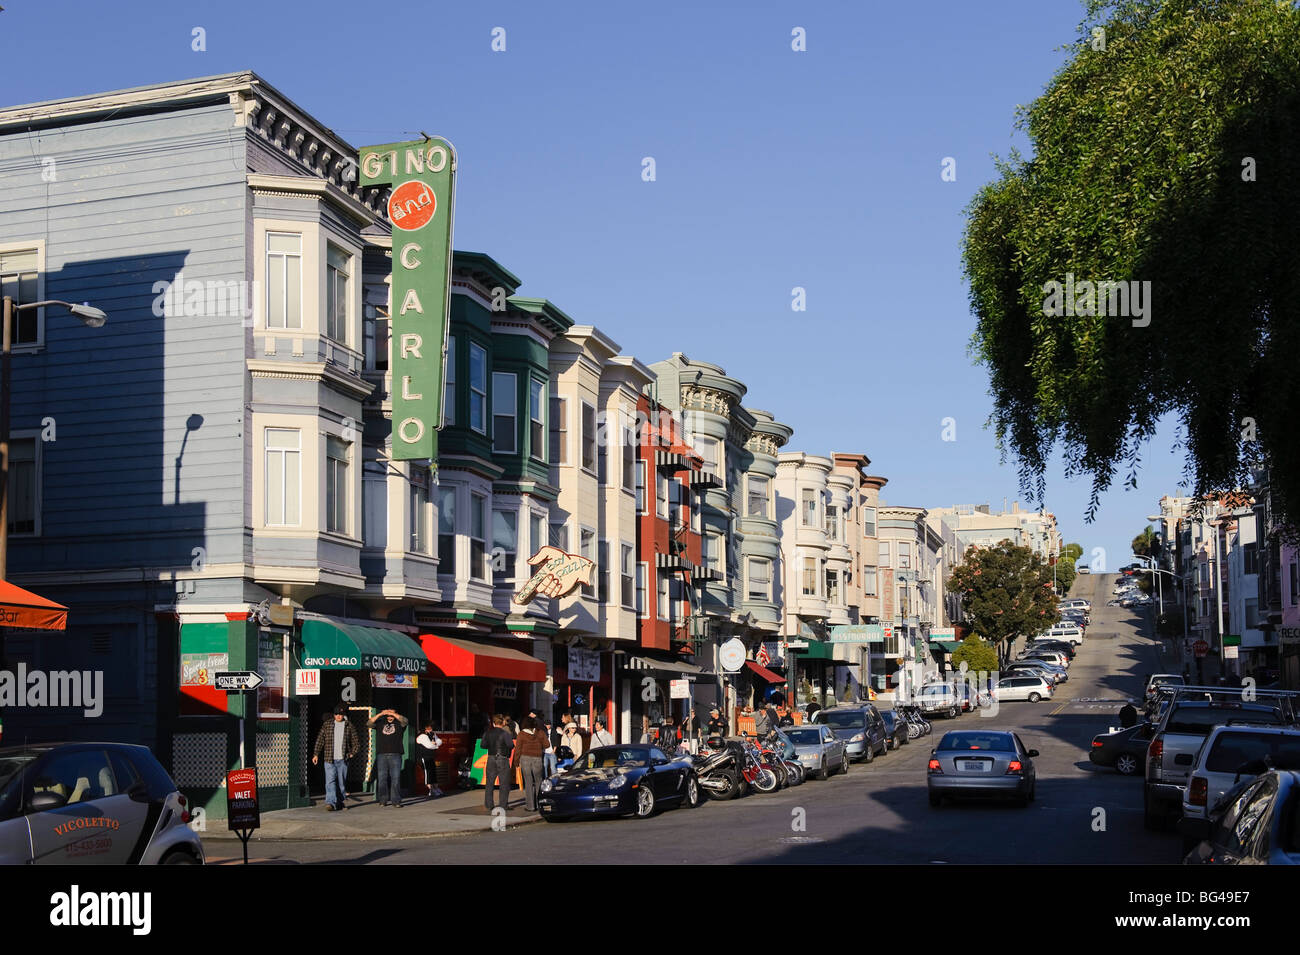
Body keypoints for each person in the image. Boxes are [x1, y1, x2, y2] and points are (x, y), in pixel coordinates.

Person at [311, 704, 359, 811]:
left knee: (341, 782)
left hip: (343, 758)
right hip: (329, 758)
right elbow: (320, 740)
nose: (338, 716)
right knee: (330, 781)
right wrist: (316, 754)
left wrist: (352, 753)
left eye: (340, 714)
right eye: (336, 714)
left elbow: (356, 742)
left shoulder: (348, 726)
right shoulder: (327, 725)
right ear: (334, 715)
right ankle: (330, 803)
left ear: (343, 715)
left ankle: (340, 802)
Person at [368, 708, 409, 807]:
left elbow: (405, 721)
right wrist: (381, 714)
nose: (390, 715)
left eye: (392, 714)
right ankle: (383, 800)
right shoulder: (380, 722)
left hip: (396, 754)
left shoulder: (399, 723)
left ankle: (396, 801)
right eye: (388, 714)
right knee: (382, 778)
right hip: (382, 754)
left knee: (396, 778)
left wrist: (394, 714)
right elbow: (369, 723)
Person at [512, 715, 548, 812]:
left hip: (525, 759)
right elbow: (547, 745)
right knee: (538, 782)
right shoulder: (540, 733)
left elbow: (518, 749)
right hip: (537, 758)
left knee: (528, 782)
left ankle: (530, 806)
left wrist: (516, 762)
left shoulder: (521, 734)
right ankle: (539, 804)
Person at [481, 714, 514, 812]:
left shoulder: (487, 733)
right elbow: (510, 745)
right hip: (502, 758)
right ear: (502, 723)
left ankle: (489, 804)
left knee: (489, 782)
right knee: (504, 783)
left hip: (491, 757)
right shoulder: (505, 734)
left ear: (493, 723)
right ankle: (503, 805)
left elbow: (483, 745)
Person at [415, 723, 444, 797]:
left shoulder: (433, 734)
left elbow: (440, 741)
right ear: (424, 729)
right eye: (428, 728)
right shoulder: (422, 736)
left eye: (431, 728)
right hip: (424, 757)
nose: (430, 729)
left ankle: (436, 788)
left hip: (431, 756)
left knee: (433, 772)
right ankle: (431, 790)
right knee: (427, 773)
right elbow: (429, 746)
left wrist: (435, 743)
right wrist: (435, 745)